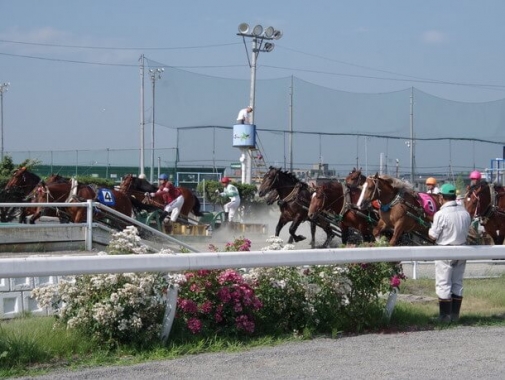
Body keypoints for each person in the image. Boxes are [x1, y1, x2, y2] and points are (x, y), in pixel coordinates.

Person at [428, 183, 471, 323]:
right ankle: (455, 316)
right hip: (462, 251)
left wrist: (429, 230)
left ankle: (444, 317)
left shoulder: (440, 214)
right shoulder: (465, 213)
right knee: (457, 283)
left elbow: (433, 236)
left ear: (441, 197)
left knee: (443, 284)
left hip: (445, 251)